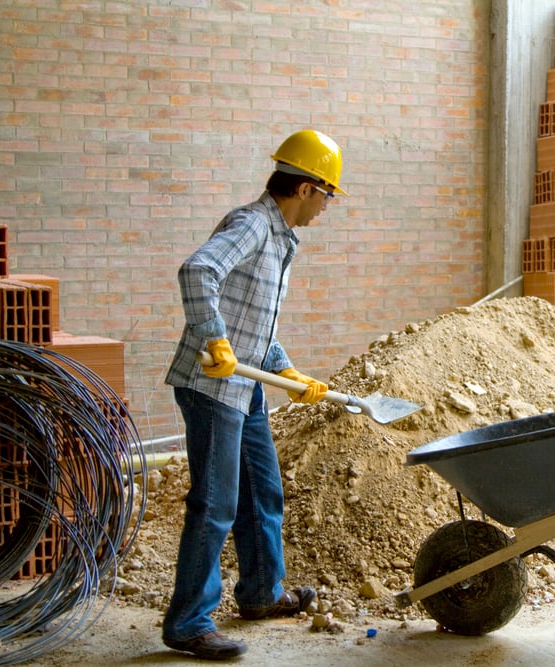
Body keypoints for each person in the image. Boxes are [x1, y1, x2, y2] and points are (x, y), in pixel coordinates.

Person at [161, 129, 347, 660]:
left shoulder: (282, 237)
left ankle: (262, 593)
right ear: (308, 187)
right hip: (211, 386)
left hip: (247, 388)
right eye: (328, 195)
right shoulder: (252, 224)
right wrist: (213, 336)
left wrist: (288, 370)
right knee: (216, 504)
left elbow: (255, 324)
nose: (327, 206)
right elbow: (198, 271)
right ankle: (189, 623)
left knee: (263, 492)